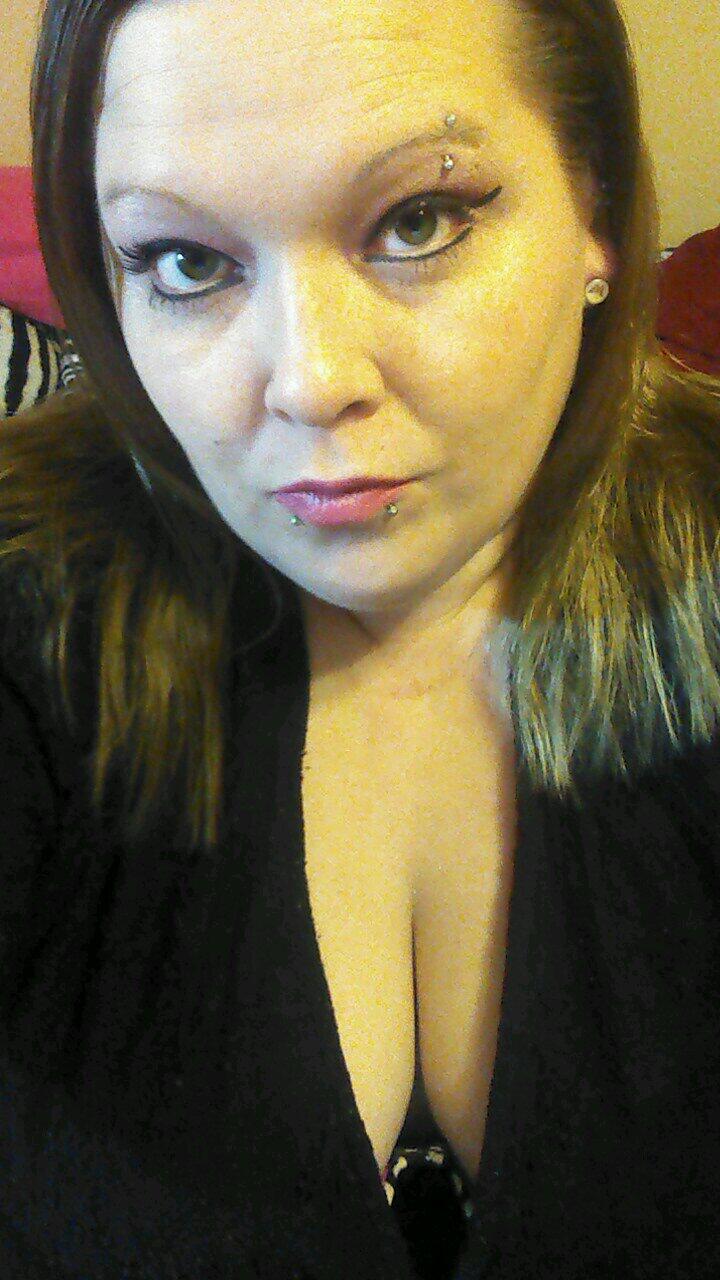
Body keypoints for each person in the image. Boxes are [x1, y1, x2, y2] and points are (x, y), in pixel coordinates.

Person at [0, 0, 718, 1276]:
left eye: (418, 220)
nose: (310, 378)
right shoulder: (30, 601)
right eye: (186, 261)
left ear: (596, 209)